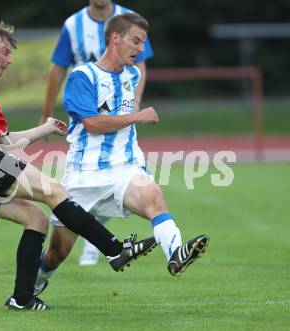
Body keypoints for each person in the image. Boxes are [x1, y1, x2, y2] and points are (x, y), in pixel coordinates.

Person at [0, 19, 157, 311]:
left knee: (36, 219)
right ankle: (116, 250)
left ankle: (21, 298)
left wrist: (46, 128)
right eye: (4, 52)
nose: (9, 60)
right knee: (54, 190)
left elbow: (7, 140)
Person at [33, 13, 209, 296]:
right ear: (115, 38)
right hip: (83, 175)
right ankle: (35, 283)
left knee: (154, 200)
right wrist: (138, 117)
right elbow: (92, 124)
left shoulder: (133, 74)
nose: (140, 50)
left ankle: (176, 254)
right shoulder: (82, 77)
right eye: (136, 41)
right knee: (57, 252)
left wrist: (134, 119)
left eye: (143, 43)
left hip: (125, 167)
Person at [40, 0, 154, 266]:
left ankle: (97, 247)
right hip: (86, 113)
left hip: (120, 116)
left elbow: (141, 65)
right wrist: (46, 112)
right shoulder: (73, 24)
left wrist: (133, 106)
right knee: (59, 242)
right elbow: (58, 68)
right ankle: (33, 283)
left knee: (122, 178)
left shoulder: (129, 18)